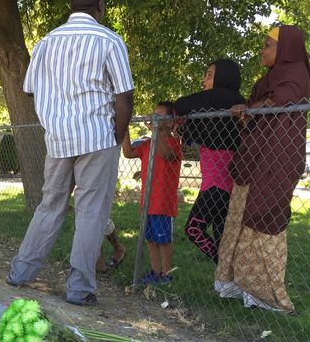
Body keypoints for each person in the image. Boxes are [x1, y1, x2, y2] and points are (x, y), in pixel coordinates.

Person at [7, 0, 134, 307]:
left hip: (59, 136)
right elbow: (124, 96)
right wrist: (117, 137)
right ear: (100, 6)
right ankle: (79, 289)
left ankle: (20, 272)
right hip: (97, 136)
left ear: (71, 5)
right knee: (91, 212)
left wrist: (58, 109)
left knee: (51, 205)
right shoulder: (109, 40)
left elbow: (30, 88)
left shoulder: (47, 42)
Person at [215, 25, 309, 313]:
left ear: (284, 50)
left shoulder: (298, 76)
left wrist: (256, 107)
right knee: (238, 218)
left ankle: (268, 294)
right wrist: (246, 110)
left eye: (267, 45)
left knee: (264, 218)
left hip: (276, 160)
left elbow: (280, 104)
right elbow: (256, 115)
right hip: (254, 157)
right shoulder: (266, 79)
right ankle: (236, 283)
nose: (262, 50)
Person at [173, 59, 245, 263]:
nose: (204, 80)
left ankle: (221, 262)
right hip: (221, 183)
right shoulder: (226, 100)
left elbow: (180, 105)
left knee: (193, 228)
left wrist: (179, 116)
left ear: (223, 77)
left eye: (209, 75)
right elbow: (197, 129)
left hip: (218, 183)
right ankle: (226, 278)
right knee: (221, 233)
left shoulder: (221, 95)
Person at [122, 102, 182, 285]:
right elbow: (128, 152)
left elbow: (164, 155)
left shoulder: (173, 143)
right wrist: (123, 126)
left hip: (163, 203)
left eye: (160, 115)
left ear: (171, 122)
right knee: (150, 239)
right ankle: (155, 272)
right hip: (147, 202)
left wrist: (158, 132)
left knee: (163, 241)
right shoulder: (148, 143)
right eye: (154, 114)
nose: (155, 117)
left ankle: (166, 274)